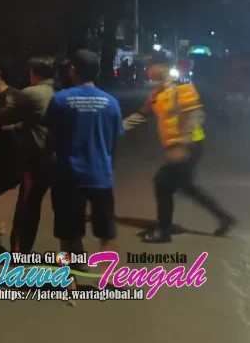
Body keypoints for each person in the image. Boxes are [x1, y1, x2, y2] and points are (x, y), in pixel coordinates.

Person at [140, 64, 235, 243]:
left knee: (162, 184)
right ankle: (224, 218)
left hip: (189, 144)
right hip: (179, 145)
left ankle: (163, 231)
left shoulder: (183, 88)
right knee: (186, 187)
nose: (148, 71)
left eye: (151, 67)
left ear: (162, 69)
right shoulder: (159, 93)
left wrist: (183, 144)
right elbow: (144, 113)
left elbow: (194, 115)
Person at [46, 50, 123, 262]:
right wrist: (108, 167)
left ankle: (70, 282)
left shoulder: (60, 100)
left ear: (73, 71)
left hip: (68, 177)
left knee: (68, 233)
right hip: (101, 176)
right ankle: (108, 279)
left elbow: (50, 139)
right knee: (106, 232)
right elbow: (114, 143)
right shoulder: (111, 103)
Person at [0, 57, 56, 254]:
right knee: (34, 205)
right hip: (54, 157)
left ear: (34, 74)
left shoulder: (30, 93)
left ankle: (19, 251)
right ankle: (25, 248)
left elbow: (3, 116)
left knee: (26, 206)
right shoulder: (57, 92)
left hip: (36, 158)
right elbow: (39, 120)